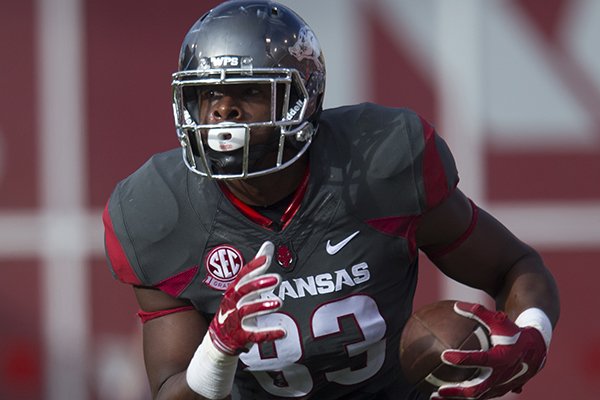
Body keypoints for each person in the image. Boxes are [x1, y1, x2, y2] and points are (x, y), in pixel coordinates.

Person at [102, 1, 560, 399]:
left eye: (250, 92)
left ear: (303, 98)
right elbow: (171, 391)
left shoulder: (378, 164)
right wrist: (218, 350)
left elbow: (514, 266)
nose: (224, 110)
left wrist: (532, 336)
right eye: (209, 95)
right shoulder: (158, 212)